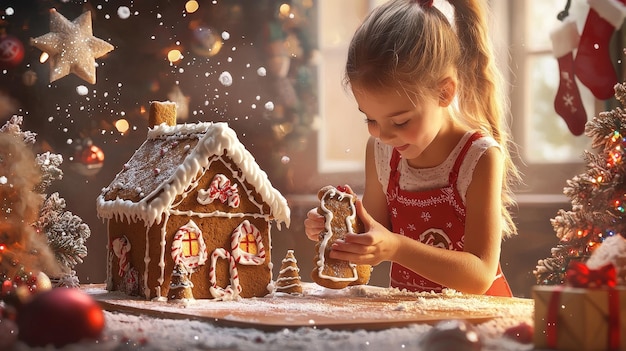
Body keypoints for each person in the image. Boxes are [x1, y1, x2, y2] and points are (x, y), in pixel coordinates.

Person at [304, 0, 520, 296]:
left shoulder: (478, 157)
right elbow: (372, 233)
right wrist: (335, 230)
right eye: (370, 119)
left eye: (401, 121)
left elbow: (480, 274)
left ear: (444, 92)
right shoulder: (380, 152)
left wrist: (396, 247)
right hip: (411, 316)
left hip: (476, 324)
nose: (385, 135)